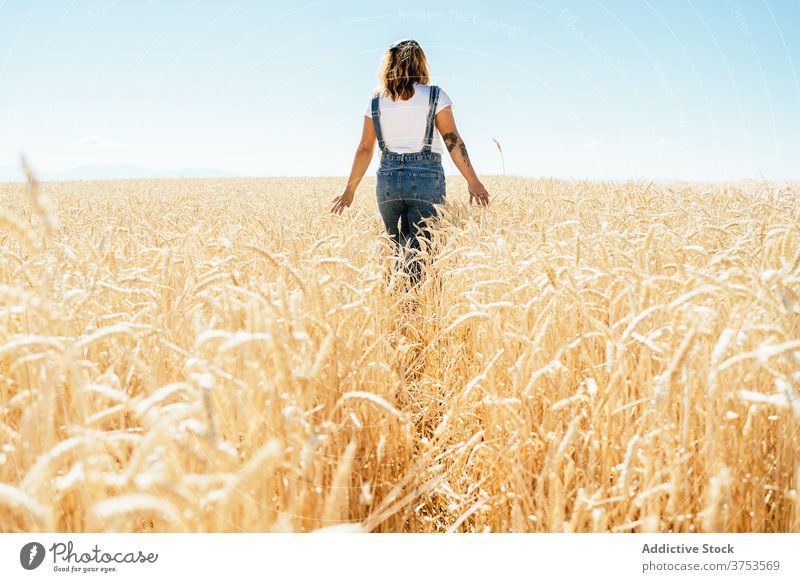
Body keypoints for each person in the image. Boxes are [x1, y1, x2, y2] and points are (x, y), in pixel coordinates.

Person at [330, 38, 490, 290]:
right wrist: (473, 180)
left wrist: (349, 190)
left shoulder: (375, 100)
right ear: (421, 64)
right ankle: (417, 309)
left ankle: (397, 302)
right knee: (424, 250)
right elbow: (452, 140)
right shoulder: (436, 95)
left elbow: (364, 148)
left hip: (387, 182)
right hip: (426, 179)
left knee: (396, 249)